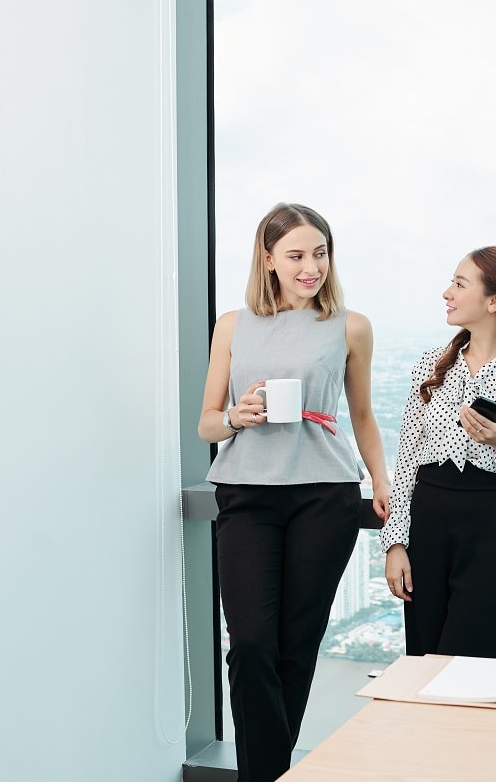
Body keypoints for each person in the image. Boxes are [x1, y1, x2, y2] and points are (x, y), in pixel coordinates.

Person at [198, 202, 390, 782]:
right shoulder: (232, 324)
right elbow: (207, 424)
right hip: (246, 495)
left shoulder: (351, 326)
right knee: (251, 644)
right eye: (298, 255)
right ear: (268, 258)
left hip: (325, 496)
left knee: (297, 643)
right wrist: (238, 415)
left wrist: (381, 481)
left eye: (321, 254)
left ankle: (265, 774)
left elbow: (362, 416)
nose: (313, 267)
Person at [381, 245, 496, 658]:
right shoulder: (430, 365)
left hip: (492, 529)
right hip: (426, 525)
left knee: (473, 664)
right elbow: (407, 459)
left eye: (460, 284)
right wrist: (395, 544)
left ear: (494, 300)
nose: (447, 292)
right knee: (423, 660)